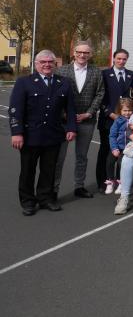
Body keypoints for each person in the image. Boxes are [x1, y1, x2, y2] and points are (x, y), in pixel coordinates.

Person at [9, 50, 77, 215]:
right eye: (43, 62)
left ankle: (45, 199)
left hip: (53, 135)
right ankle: (28, 202)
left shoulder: (64, 82)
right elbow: (15, 109)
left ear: (55, 64)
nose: (47, 65)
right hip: (30, 135)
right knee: (28, 171)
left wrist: (71, 128)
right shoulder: (24, 82)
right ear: (36, 64)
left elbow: (70, 108)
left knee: (49, 170)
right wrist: (16, 132)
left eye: (50, 62)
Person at [55, 41, 105, 198]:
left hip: (86, 120)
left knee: (82, 156)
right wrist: (65, 114)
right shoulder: (62, 71)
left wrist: (89, 113)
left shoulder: (96, 72)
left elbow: (100, 93)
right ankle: (53, 189)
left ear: (90, 54)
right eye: (79, 52)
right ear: (74, 52)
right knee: (59, 157)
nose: (82, 55)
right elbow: (55, 95)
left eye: (86, 53)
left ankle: (79, 186)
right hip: (63, 121)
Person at [96, 48, 133, 192]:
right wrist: (110, 113)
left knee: (124, 153)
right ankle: (104, 182)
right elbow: (100, 96)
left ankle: (121, 181)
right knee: (106, 151)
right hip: (109, 120)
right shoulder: (103, 75)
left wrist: (129, 115)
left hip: (126, 122)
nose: (121, 61)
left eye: (124, 59)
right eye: (119, 58)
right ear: (113, 59)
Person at [105, 98, 133, 194]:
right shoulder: (118, 121)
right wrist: (114, 148)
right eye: (124, 111)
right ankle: (110, 181)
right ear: (120, 110)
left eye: (129, 110)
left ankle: (121, 182)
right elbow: (112, 135)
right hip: (117, 146)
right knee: (110, 162)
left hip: (127, 148)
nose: (127, 113)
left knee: (121, 163)